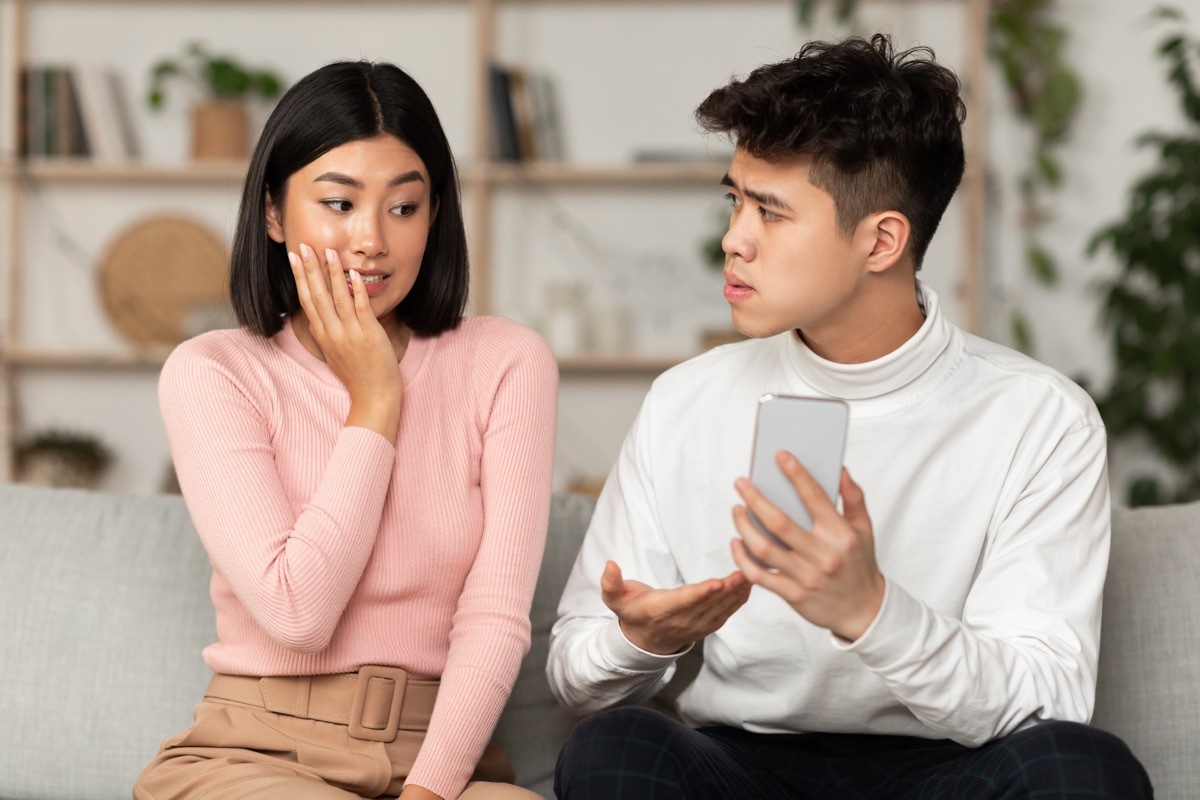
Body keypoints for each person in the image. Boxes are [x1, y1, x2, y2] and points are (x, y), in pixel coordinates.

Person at [547, 34, 1153, 799]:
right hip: (744, 765)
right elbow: (574, 671)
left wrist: (872, 611)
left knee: (1085, 770)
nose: (733, 241)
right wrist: (640, 641)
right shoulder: (686, 401)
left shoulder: (1040, 419)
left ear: (882, 240)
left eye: (771, 212)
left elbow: (1052, 696)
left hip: (947, 769)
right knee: (612, 748)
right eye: (735, 201)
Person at [134, 60, 557, 800]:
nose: (371, 241)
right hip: (260, 758)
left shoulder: (506, 361)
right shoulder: (215, 372)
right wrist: (375, 402)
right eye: (338, 203)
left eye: (404, 208)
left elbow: (494, 618)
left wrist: (428, 793)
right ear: (273, 214)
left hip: (441, 765)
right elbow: (297, 613)